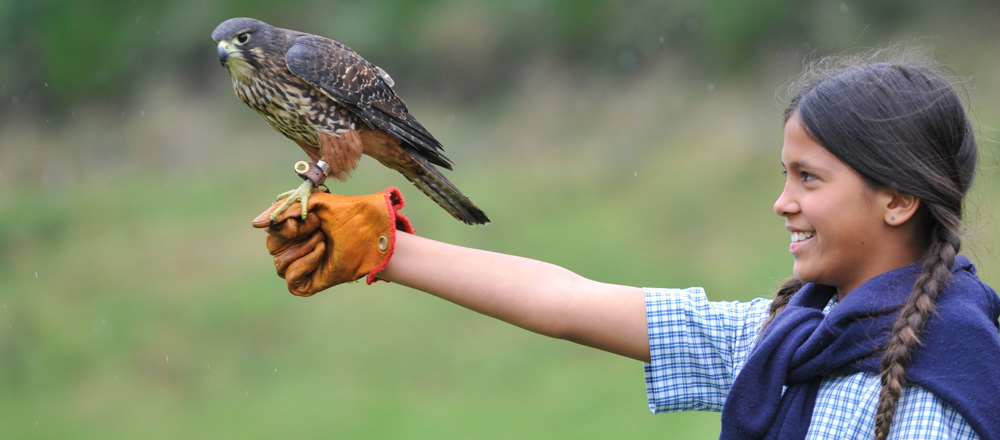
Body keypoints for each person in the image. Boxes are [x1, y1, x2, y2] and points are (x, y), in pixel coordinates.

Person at [251, 50, 1000, 440]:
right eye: (784, 175)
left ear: (899, 198)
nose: (783, 203)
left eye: (809, 178)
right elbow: (570, 302)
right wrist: (385, 246)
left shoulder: (941, 386)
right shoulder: (800, 340)